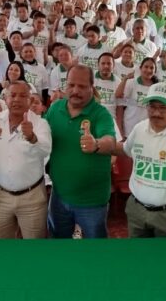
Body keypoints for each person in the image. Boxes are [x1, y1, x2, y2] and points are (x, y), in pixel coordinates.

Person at [114, 82, 166, 237]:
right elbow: (125, 150)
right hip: (136, 209)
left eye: (163, 108)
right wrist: (101, 146)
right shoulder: (139, 128)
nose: (156, 113)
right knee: (137, 256)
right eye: (152, 107)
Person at [45, 65, 116, 238]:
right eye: (71, 85)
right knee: (59, 246)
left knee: (95, 251)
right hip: (59, 196)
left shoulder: (101, 114)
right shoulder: (55, 109)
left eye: (82, 86)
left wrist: (97, 144)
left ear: (92, 87)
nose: (75, 90)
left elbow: (111, 141)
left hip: (91, 202)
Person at [0, 82, 51, 239]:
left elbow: (46, 151)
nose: (17, 100)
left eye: (23, 96)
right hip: (0, 197)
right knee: (3, 248)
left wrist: (32, 137)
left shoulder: (40, 124)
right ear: (5, 98)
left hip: (32, 199)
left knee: (33, 249)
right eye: (12, 95)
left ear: (30, 100)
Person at [116, 57, 158, 140]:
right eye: (146, 67)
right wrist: (125, 79)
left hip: (148, 127)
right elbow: (118, 95)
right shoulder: (132, 83)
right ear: (140, 68)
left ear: (155, 71)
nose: (148, 70)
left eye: (151, 68)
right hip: (130, 125)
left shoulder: (156, 87)